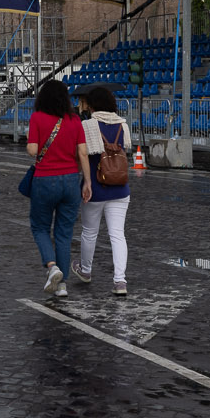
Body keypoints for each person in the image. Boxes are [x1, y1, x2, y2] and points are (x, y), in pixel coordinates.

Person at [23, 78, 87, 298]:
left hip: (45, 179)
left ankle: (52, 267)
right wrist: (86, 181)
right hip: (70, 180)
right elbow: (83, 153)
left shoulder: (37, 117)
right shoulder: (75, 120)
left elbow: (32, 151)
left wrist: (33, 143)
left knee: (40, 227)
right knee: (64, 234)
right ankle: (62, 286)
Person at [73, 85, 133, 295]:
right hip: (120, 186)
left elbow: (81, 155)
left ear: (92, 104)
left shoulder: (87, 125)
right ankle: (120, 281)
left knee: (89, 232)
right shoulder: (123, 125)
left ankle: (86, 270)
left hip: (95, 186)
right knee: (118, 234)